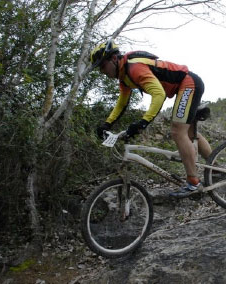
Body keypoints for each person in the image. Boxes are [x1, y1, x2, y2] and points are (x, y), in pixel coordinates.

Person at [90, 39, 212, 198]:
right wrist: (107, 124)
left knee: (177, 132)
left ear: (113, 59)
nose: (102, 71)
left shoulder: (134, 68)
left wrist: (143, 122)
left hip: (188, 82)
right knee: (187, 133)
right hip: (183, 86)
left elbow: (159, 94)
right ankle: (216, 168)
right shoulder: (124, 77)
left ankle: (193, 183)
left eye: (102, 66)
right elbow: (122, 104)